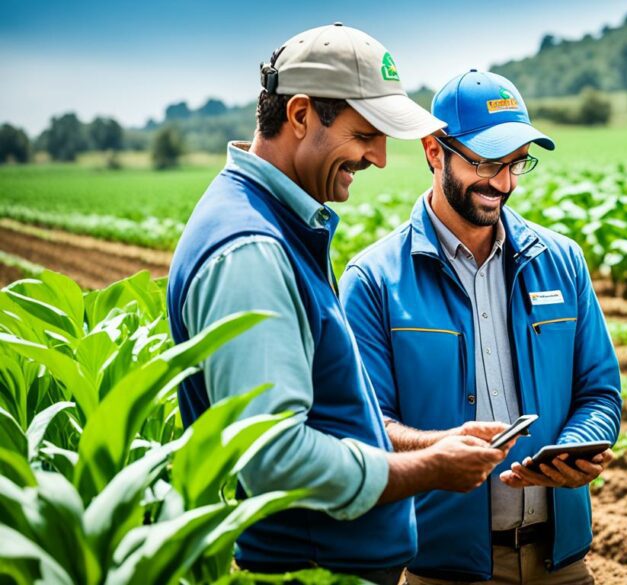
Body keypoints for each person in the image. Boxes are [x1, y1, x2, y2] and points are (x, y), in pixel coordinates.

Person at [166, 26, 513, 585]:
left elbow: (327, 414)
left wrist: (433, 441)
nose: (378, 157)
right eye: (365, 134)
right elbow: (273, 457)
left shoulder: (278, 224)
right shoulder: (251, 252)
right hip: (308, 571)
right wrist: (425, 469)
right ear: (301, 115)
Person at [339, 70, 622, 584]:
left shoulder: (562, 261)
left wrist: (578, 447)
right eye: (487, 162)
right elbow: (366, 424)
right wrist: (440, 448)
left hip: (562, 565)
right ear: (433, 151)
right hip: (445, 570)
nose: (505, 183)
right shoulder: (374, 280)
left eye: (517, 163)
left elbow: (600, 391)